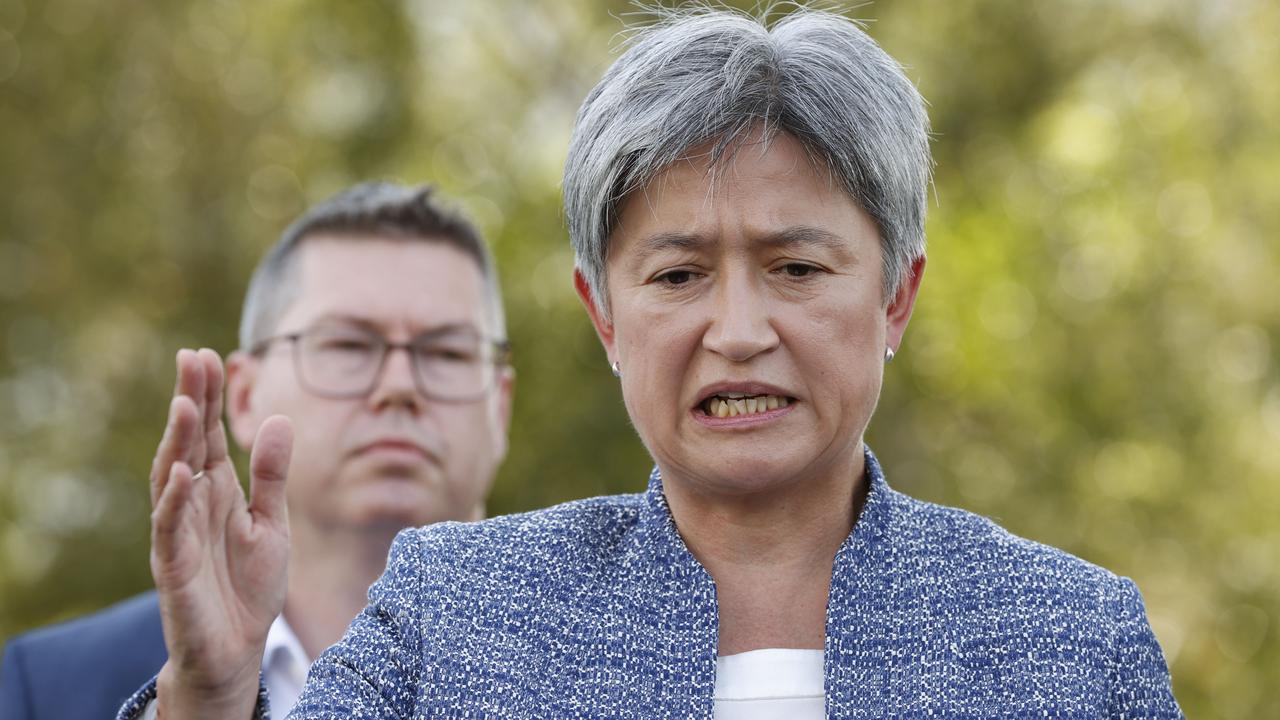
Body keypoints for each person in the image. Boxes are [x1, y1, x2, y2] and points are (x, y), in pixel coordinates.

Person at [122, 6, 1183, 719]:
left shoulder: (1072, 640)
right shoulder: (456, 611)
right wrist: (208, 696)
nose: (735, 330)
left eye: (796, 267)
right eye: (676, 277)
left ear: (894, 294)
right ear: (604, 318)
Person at [0, 182, 514, 720]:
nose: (400, 385)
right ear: (243, 397)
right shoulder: (52, 687)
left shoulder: (605, 658)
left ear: (500, 407)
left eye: (449, 352)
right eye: (348, 344)